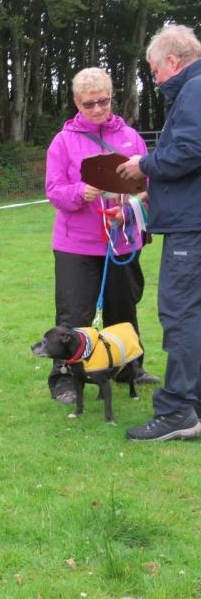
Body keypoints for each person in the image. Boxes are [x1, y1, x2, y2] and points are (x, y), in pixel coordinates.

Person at [44, 66, 158, 406]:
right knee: (74, 315)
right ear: (77, 103)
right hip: (76, 245)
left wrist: (130, 206)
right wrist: (80, 192)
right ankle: (66, 377)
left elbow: (148, 185)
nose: (97, 109)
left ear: (112, 98)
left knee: (123, 309)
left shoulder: (131, 137)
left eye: (103, 101)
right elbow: (54, 191)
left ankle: (128, 368)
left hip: (121, 241)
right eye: (89, 103)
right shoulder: (63, 142)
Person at [117, 25, 201, 441]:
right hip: (191, 218)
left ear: (171, 60)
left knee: (181, 314)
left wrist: (144, 165)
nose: (155, 80)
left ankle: (177, 411)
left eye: (154, 71)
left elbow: (189, 151)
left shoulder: (195, 89)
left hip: (191, 228)